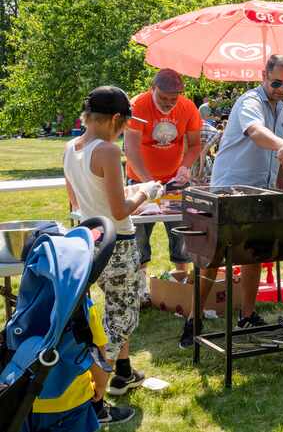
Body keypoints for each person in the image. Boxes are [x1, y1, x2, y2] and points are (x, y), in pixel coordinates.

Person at [179, 55, 283, 349]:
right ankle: (193, 319)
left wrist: (281, 186)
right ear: (264, 75)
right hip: (229, 190)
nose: (281, 89)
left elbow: (276, 159)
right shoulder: (249, 102)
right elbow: (256, 133)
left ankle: (247, 315)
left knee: (255, 253)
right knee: (213, 257)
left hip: (260, 191)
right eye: (276, 82)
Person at [63, 86, 164, 412]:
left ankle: (123, 373)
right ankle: (96, 401)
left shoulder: (70, 148)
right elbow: (120, 210)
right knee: (121, 319)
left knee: (110, 312)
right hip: (118, 244)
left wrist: (129, 191)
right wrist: (147, 192)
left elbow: (79, 201)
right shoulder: (106, 150)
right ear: (116, 119)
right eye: (124, 127)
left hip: (89, 241)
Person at [123, 68, 201, 303]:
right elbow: (132, 149)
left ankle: (181, 285)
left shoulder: (188, 107)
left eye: (173, 99)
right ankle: (140, 291)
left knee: (180, 232)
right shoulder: (137, 106)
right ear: (152, 88)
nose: (168, 104)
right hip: (139, 181)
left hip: (173, 182)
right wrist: (148, 182)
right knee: (138, 236)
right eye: (163, 98)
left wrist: (185, 167)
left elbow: (195, 144)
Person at [24, 300, 132, 430]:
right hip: (72, 401)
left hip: (27, 399)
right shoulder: (82, 305)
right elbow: (96, 354)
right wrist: (100, 385)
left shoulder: (27, 300)